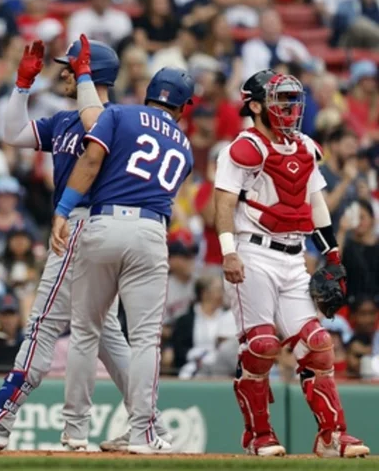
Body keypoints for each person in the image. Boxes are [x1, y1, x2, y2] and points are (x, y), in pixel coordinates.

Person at [0, 36, 169, 453]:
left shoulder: (112, 116)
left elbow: (97, 123)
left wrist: (83, 76)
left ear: (92, 71)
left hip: (85, 224)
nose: (63, 71)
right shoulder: (65, 120)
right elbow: (11, 132)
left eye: (73, 66)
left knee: (44, 322)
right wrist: (21, 86)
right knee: (105, 336)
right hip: (87, 229)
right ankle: (150, 425)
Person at [213, 69, 369, 458]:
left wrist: (332, 254)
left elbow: (314, 205)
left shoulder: (304, 146)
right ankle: (258, 435)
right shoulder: (242, 147)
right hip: (252, 251)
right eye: (279, 99)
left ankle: (332, 436)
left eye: (291, 99)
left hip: (294, 254)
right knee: (262, 345)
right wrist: (227, 250)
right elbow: (224, 203)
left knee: (317, 344)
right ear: (254, 105)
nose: (288, 107)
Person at [49, 67, 195, 454]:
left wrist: (63, 211)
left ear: (149, 92)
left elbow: (92, 160)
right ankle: (142, 433)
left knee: (84, 331)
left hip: (104, 222)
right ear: (184, 106)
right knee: (145, 340)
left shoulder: (120, 113)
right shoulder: (184, 144)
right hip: (151, 231)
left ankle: (75, 432)